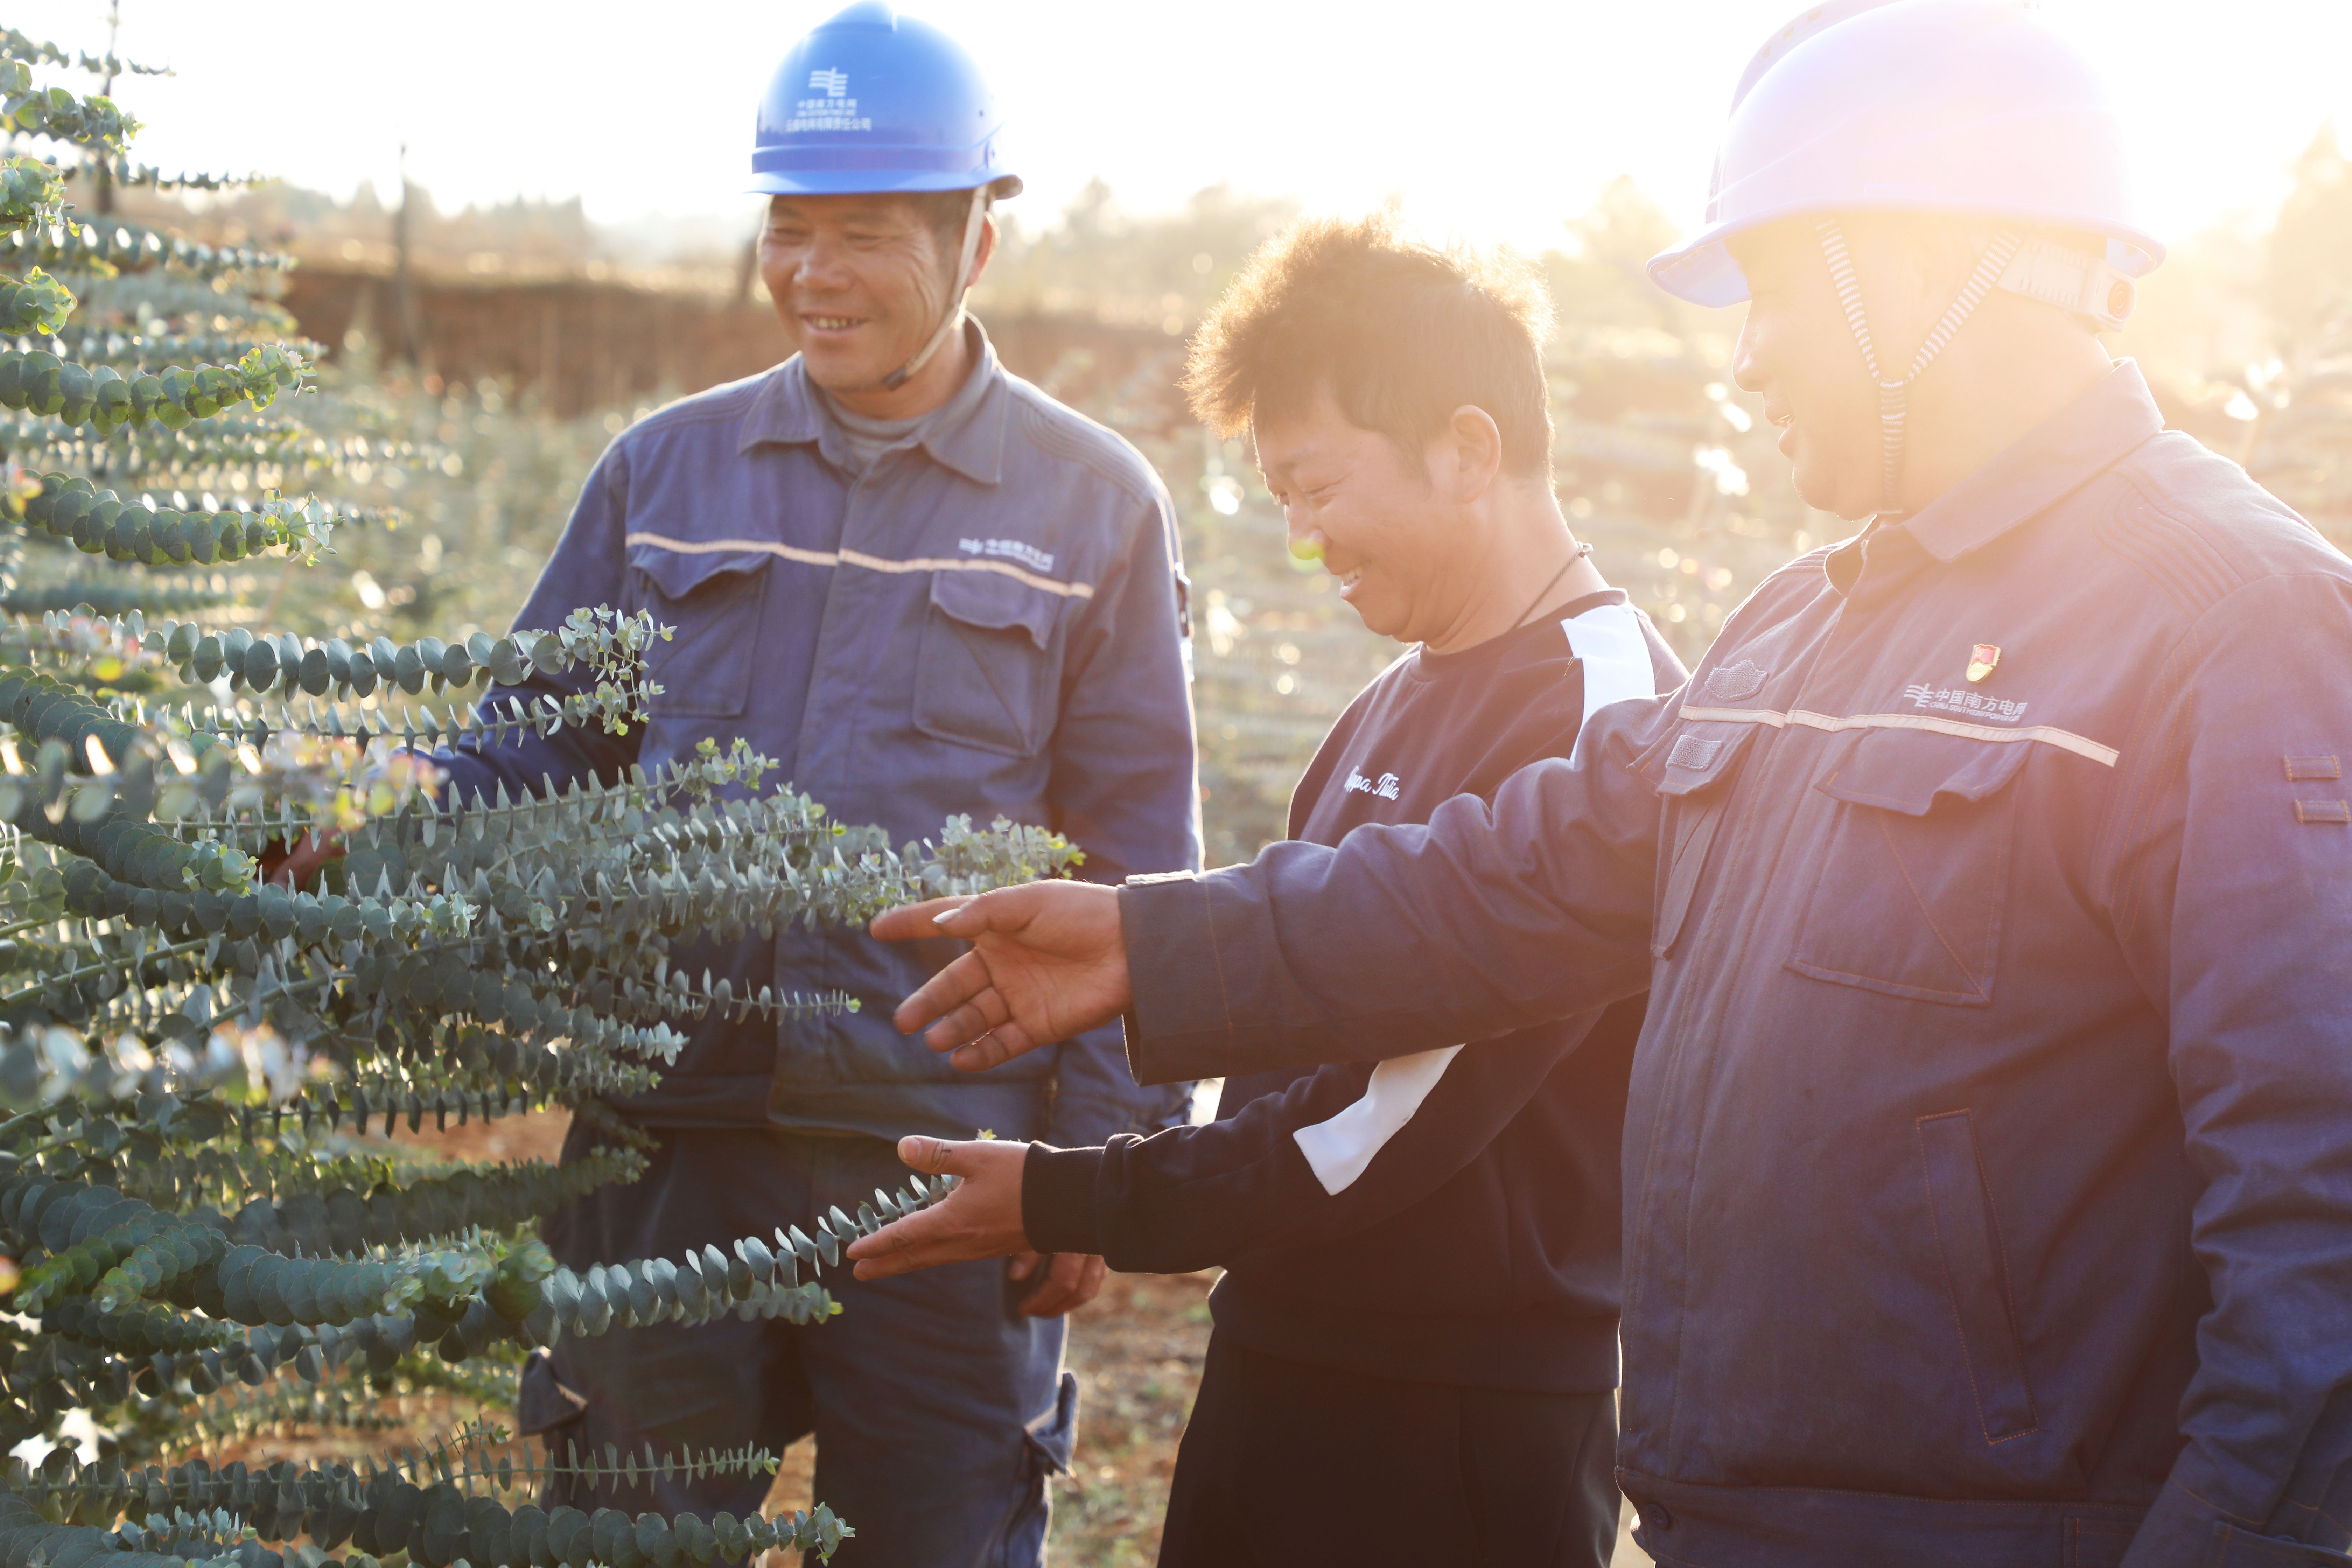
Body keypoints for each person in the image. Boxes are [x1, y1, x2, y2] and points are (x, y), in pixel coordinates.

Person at [855, 4, 2352, 1565]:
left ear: (1919, 269)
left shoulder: (2236, 629)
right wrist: (1154, 944)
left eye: (1771, 292)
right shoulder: (1798, 627)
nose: (1747, 357)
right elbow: (1521, 875)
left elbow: (2321, 1233)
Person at [377, 5, 1198, 1562]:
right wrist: (387, 821)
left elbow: (1140, 851)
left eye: (865, 236)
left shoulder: (1094, 506)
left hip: (939, 1167)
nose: (813, 275)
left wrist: (1095, 1168)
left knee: (939, 1535)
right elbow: (535, 749)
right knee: (621, 1537)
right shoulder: (665, 476)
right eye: (788, 229)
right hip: (664, 1141)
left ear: (977, 240)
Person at [847, 216, 1680, 1567]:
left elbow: (1385, 1121)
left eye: (1319, 487)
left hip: (1464, 1422)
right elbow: (1304, 1064)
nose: (1303, 541)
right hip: (1286, 1355)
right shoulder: (1385, 707)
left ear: (1469, 449)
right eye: (1279, 500)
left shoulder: (1606, 716)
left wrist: (1076, 1197)